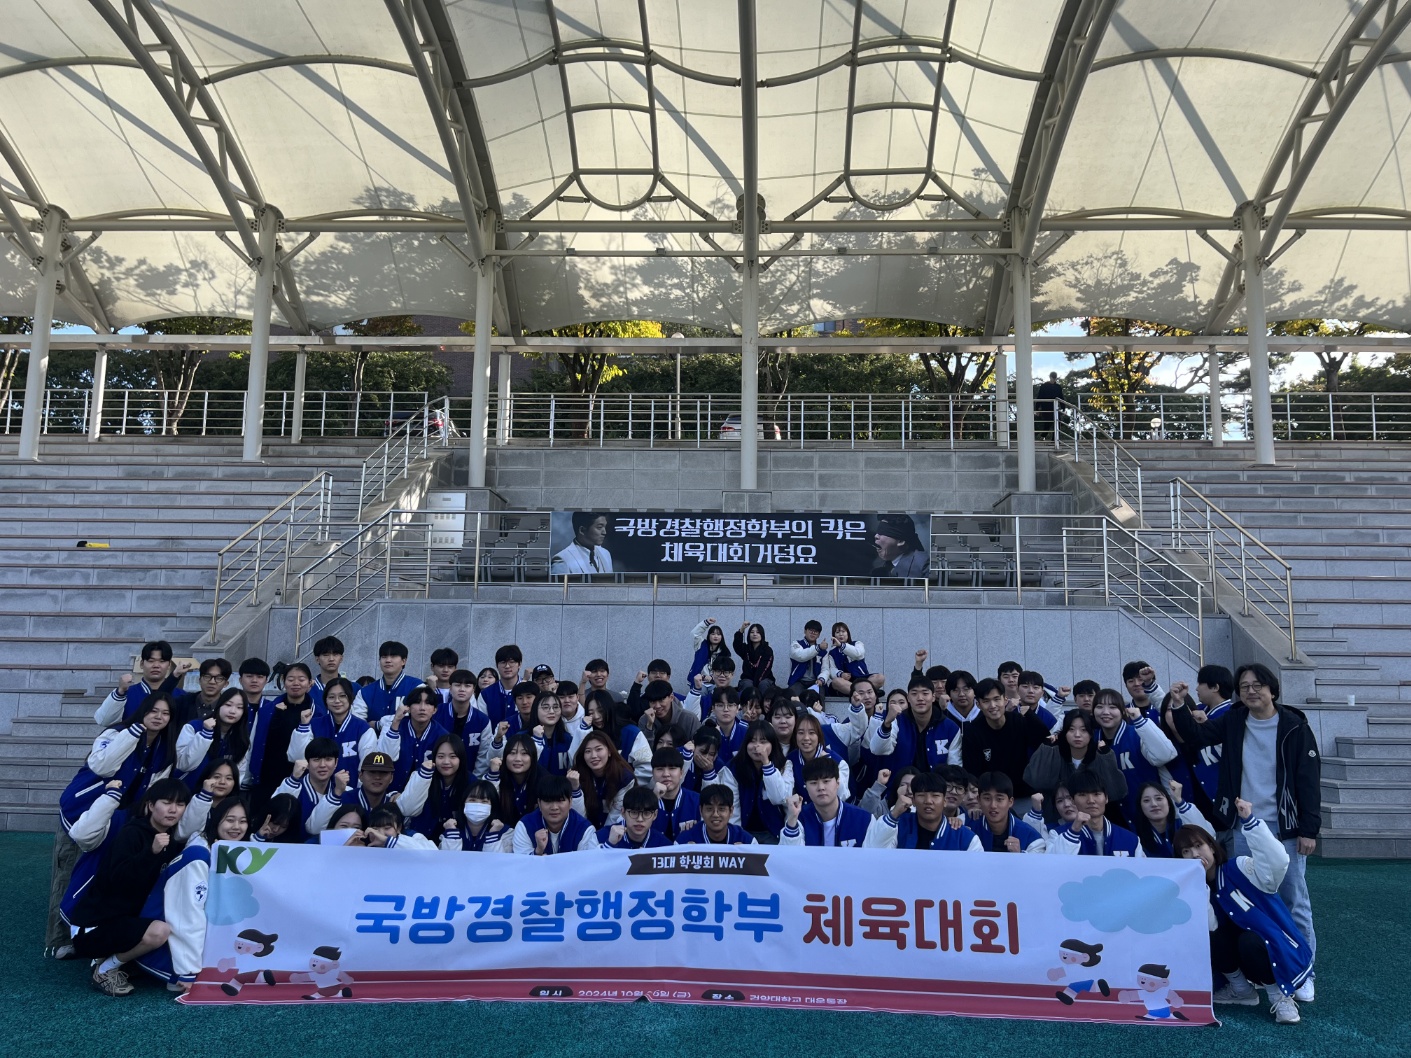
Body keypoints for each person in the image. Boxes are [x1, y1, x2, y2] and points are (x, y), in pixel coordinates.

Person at [1167, 663, 1321, 1002]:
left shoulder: (1295, 726)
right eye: (1244, 686)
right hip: (1243, 825)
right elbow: (1197, 737)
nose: (1251, 691)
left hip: (1285, 825)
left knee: (1294, 899)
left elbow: (1309, 780)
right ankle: (1261, 969)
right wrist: (1179, 705)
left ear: (1272, 690)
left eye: (1257, 685)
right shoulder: (1235, 720)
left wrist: (1309, 829)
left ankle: (1304, 971)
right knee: (1249, 900)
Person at [1175, 799, 1312, 1025]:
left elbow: (1278, 862)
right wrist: (1199, 889)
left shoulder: (1240, 867)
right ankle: (1241, 990)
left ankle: (1280, 997)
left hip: (1276, 949)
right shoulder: (1193, 889)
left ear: (1212, 846)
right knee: (1211, 936)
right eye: (1186, 851)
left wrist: (1251, 823)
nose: (1195, 854)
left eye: (1199, 846)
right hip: (1243, 959)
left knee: (1249, 940)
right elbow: (1210, 928)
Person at [69, 778, 190, 996]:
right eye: (166, 802)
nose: (173, 810)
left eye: (180, 804)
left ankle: (119, 959)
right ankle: (105, 969)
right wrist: (150, 853)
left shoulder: (172, 840)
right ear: (151, 805)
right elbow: (118, 880)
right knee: (160, 932)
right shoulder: (131, 834)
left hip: (123, 920)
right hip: (93, 925)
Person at [135, 795, 249, 992]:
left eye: (243, 821)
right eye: (230, 820)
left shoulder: (227, 850)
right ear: (216, 820)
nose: (236, 827)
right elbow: (187, 916)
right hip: (166, 946)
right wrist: (187, 971)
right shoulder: (198, 855)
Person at [1023, 710, 1128, 828]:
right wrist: (1047, 749)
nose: (1077, 735)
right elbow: (1036, 781)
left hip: (1093, 822)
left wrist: (1106, 756)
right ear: (1064, 732)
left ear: (1091, 733)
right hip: (1056, 821)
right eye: (1071, 729)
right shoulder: (1053, 752)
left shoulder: (1100, 756)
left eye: (1083, 730)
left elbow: (1116, 792)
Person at [1090, 687, 1177, 823]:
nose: (1105, 712)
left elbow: (1165, 755)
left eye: (1112, 707)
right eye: (1100, 707)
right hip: (1111, 817)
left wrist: (1140, 721)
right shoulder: (1092, 739)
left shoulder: (1137, 733)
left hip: (1147, 815)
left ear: (1122, 710)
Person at [960, 678, 1051, 796]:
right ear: (978, 704)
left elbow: (1045, 741)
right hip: (990, 795)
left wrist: (1029, 714)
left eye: (997, 699)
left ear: (1005, 700)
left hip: (1023, 793)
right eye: (986, 701)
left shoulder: (1020, 722)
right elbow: (972, 771)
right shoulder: (972, 732)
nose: (993, 706)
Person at [870, 675, 961, 784]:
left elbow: (954, 767)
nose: (920, 698)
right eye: (914, 694)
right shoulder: (896, 721)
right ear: (908, 698)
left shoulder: (950, 728)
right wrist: (886, 724)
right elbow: (877, 749)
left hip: (936, 790)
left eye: (925, 693)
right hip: (900, 790)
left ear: (933, 697)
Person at [863, 770, 982, 851]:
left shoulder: (965, 838)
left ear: (945, 800)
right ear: (913, 800)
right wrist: (894, 815)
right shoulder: (899, 826)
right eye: (921, 795)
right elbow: (871, 852)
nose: (928, 801)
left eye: (935, 796)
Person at [290, 676, 377, 781]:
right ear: (325, 700)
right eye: (331, 697)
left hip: (349, 789)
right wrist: (303, 727)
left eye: (342, 696)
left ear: (350, 698)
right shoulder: (313, 725)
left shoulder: (363, 729)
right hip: (317, 788)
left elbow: (366, 769)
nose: (337, 701)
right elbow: (297, 758)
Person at [718, 721, 792, 836]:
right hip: (745, 833)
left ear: (773, 744)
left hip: (774, 833)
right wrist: (737, 837)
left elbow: (778, 798)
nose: (757, 746)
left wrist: (767, 764)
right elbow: (732, 808)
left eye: (763, 741)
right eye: (752, 741)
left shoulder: (785, 765)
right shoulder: (733, 768)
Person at [93, 641, 191, 726]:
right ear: (141, 664)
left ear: (169, 665)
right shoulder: (126, 693)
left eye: (162, 661)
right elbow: (103, 721)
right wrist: (120, 692)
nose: (156, 665)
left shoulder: (181, 696)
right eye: (151, 661)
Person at [778, 758, 871, 847]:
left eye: (826, 781)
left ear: (838, 783)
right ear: (806, 787)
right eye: (813, 783)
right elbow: (790, 855)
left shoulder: (864, 819)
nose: (821, 787)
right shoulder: (799, 818)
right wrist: (792, 818)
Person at [1049, 769, 1142, 857]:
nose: (1091, 800)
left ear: (1106, 798)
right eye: (1082, 795)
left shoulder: (1131, 840)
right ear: (1073, 800)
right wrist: (1073, 832)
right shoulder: (1057, 834)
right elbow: (1053, 865)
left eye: (1096, 794)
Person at [398, 735, 473, 840]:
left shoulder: (471, 781)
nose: (446, 762)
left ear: (461, 758)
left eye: (452, 756)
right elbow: (407, 810)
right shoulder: (421, 774)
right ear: (434, 758)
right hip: (421, 840)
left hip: (458, 841)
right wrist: (424, 777)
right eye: (441, 756)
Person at [174, 687, 250, 786]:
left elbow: (238, 774)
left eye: (239, 707)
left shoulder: (241, 738)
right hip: (186, 790)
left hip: (218, 794)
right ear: (219, 705)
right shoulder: (194, 727)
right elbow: (183, 765)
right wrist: (205, 735)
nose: (233, 711)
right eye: (228, 705)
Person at [380, 686, 449, 790]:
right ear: (408, 707)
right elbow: (386, 759)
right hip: (391, 791)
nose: (422, 708)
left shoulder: (442, 735)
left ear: (435, 710)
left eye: (428, 703)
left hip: (427, 792)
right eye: (417, 702)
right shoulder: (393, 726)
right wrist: (396, 721)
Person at [512, 774, 600, 854]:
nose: (554, 807)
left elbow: (586, 863)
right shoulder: (525, 826)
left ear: (570, 802)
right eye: (548, 801)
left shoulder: (585, 829)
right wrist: (538, 851)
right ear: (539, 803)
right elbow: (521, 862)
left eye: (560, 800)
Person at [581, 689, 652, 783]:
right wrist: (581, 731)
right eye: (591, 713)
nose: (596, 716)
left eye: (601, 711)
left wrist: (627, 786)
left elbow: (646, 769)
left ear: (610, 708)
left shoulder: (631, 733)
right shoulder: (586, 733)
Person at [1134, 780, 1214, 858]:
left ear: (1169, 803)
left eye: (1158, 798)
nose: (1154, 804)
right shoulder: (1135, 837)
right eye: (1146, 800)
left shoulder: (1182, 825)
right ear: (1140, 806)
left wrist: (1179, 800)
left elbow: (1206, 836)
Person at [570, 730, 634, 828]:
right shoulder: (577, 775)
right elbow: (577, 817)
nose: (593, 756)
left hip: (614, 831)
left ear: (609, 752)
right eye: (588, 751)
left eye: (598, 749)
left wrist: (600, 836)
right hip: (585, 831)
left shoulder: (624, 777)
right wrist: (575, 788)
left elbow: (615, 818)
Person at [973, 771, 1046, 853]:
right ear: (978, 800)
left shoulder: (1032, 838)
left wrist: (1019, 855)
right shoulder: (968, 829)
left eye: (999, 799)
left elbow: (1038, 860)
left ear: (1010, 802)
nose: (993, 805)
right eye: (987, 798)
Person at [353, 641, 424, 725]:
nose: (388, 660)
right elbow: (357, 724)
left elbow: (422, 717)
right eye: (384, 656)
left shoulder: (417, 687)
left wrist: (378, 724)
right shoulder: (365, 692)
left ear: (403, 661)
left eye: (393, 656)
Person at [434, 670, 491, 773]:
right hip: (438, 774)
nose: (462, 689)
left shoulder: (482, 720)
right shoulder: (436, 713)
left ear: (473, 690)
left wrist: (475, 779)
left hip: (469, 776)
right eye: (457, 685)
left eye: (467, 686)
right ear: (450, 688)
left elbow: (482, 756)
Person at [788, 712, 849, 802]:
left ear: (819, 736)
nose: (806, 738)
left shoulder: (837, 762)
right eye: (801, 733)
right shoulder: (790, 760)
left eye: (811, 733)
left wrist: (827, 765)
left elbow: (842, 795)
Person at [438, 779, 510, 853]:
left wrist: (493, 835)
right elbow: (447, 858)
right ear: (464, 803)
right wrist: (452, 835)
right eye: (472, 800)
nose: (477, 805)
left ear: (493, 806)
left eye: (484, 801)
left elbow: (497, 860)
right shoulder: (450, 829)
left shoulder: (505, 832)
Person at [488, 733, 542, 828]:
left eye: (524, 753)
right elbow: (486, 802)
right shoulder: (497, 775)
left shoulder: (543, 779)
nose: (517, 759)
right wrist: (493, 776)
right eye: (512, 753)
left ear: (533, 757)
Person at [676, 784, 756, 845]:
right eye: (709, 809)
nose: (715, 814)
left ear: (731, 811)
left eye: (721, 809)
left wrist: (745, 854)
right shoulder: (684, 840)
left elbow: (758, 861)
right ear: (701, 810)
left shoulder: (746, 840)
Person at [648, 748, 700, 841]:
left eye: (672, 768)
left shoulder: (697, 801)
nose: (666, 774)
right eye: (660, 769)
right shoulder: (641, 800)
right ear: (652, 773)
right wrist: (652, 800)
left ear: (681, 773)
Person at [599, 785, 672, 850]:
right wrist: (609, 845)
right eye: (634, 813)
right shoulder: (602, 836)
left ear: (655, 815)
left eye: (646, 813)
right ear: (623, 812)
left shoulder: (664, 846)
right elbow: (593, 859)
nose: (640, 819)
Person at [823, 622, 882, 696]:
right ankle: (868, 692)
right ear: (834, 636)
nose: (841, 634)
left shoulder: (857, 644)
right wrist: (841, 674)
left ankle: (856, 693)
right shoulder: (832, 653)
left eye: (843, 631)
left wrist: (842, 646)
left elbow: (858, 654)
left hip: (862, 679)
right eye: (837, 632)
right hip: (846, 682)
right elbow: (832, 670)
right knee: (836, 682)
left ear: (848, 633)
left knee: (880, 678)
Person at [174, 657, 232, 727]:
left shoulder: (228, 709)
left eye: (219, 678)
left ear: (226, 684)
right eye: (207, 676)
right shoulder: (182, 702)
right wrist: (175, 675)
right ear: (199, 680)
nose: (212, 682)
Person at [479, 644, 523, 725]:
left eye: (511, 662)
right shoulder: (486, 694)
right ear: (497, 665)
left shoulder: (530, 690)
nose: (507, 666)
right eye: (503, 662)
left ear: (519, 664)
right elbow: (482, 725)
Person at [688, 618, 731, 688]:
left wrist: (712, 679)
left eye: (718, 634)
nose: (716, 636)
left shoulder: (725, 653)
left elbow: (726, 672)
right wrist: (706, 623)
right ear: (709, 635)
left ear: (722, 637)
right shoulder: (701, 645)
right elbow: (694, 634)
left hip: (716, 684)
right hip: (699, 682)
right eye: (713, 634)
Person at [732, 621, 776, 691]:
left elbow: (764, 670)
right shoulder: (746, 649)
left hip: (764, 679)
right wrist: (742, 629)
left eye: (758, 632)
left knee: (763, 684)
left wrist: (755, 685)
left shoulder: (767, 650)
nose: (755, 634)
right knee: (747, 684)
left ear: (762, 635)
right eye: (752, 632)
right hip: (747, 679)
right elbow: (737, 645)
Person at [787, 620, 829, 688]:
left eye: (816, 631)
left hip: (816, 681)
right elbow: (801, 656)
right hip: (798, 681)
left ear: (819, 635)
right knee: (793, 694)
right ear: (805, 631)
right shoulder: (796, 644)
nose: (813, 633)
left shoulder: (823, 652)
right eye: (810, 630)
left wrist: (821, 679)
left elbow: (825, 669)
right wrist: (818, 648)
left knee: (819, 694)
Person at [310, 636, 346, 705]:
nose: (331, 659)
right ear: (317, 659)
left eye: (335, 654)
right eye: (326, 655)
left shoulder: (353, 688)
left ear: (341, 658)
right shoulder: (308, 689)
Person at [1036, 371, 1064, 438]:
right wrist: (1037, 408)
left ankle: (1055, 439)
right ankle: (1043, 436)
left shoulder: (1058, 387)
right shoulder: (1044, 386)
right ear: (1050, 377)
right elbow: (1040, 397)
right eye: (1053, 378)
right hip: (1046, 407)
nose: (1054, 379)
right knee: (1048, 423)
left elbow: (1061, 397)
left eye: (1055, 378)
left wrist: (1063, 407)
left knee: (1057, 422)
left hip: (1054, 407)